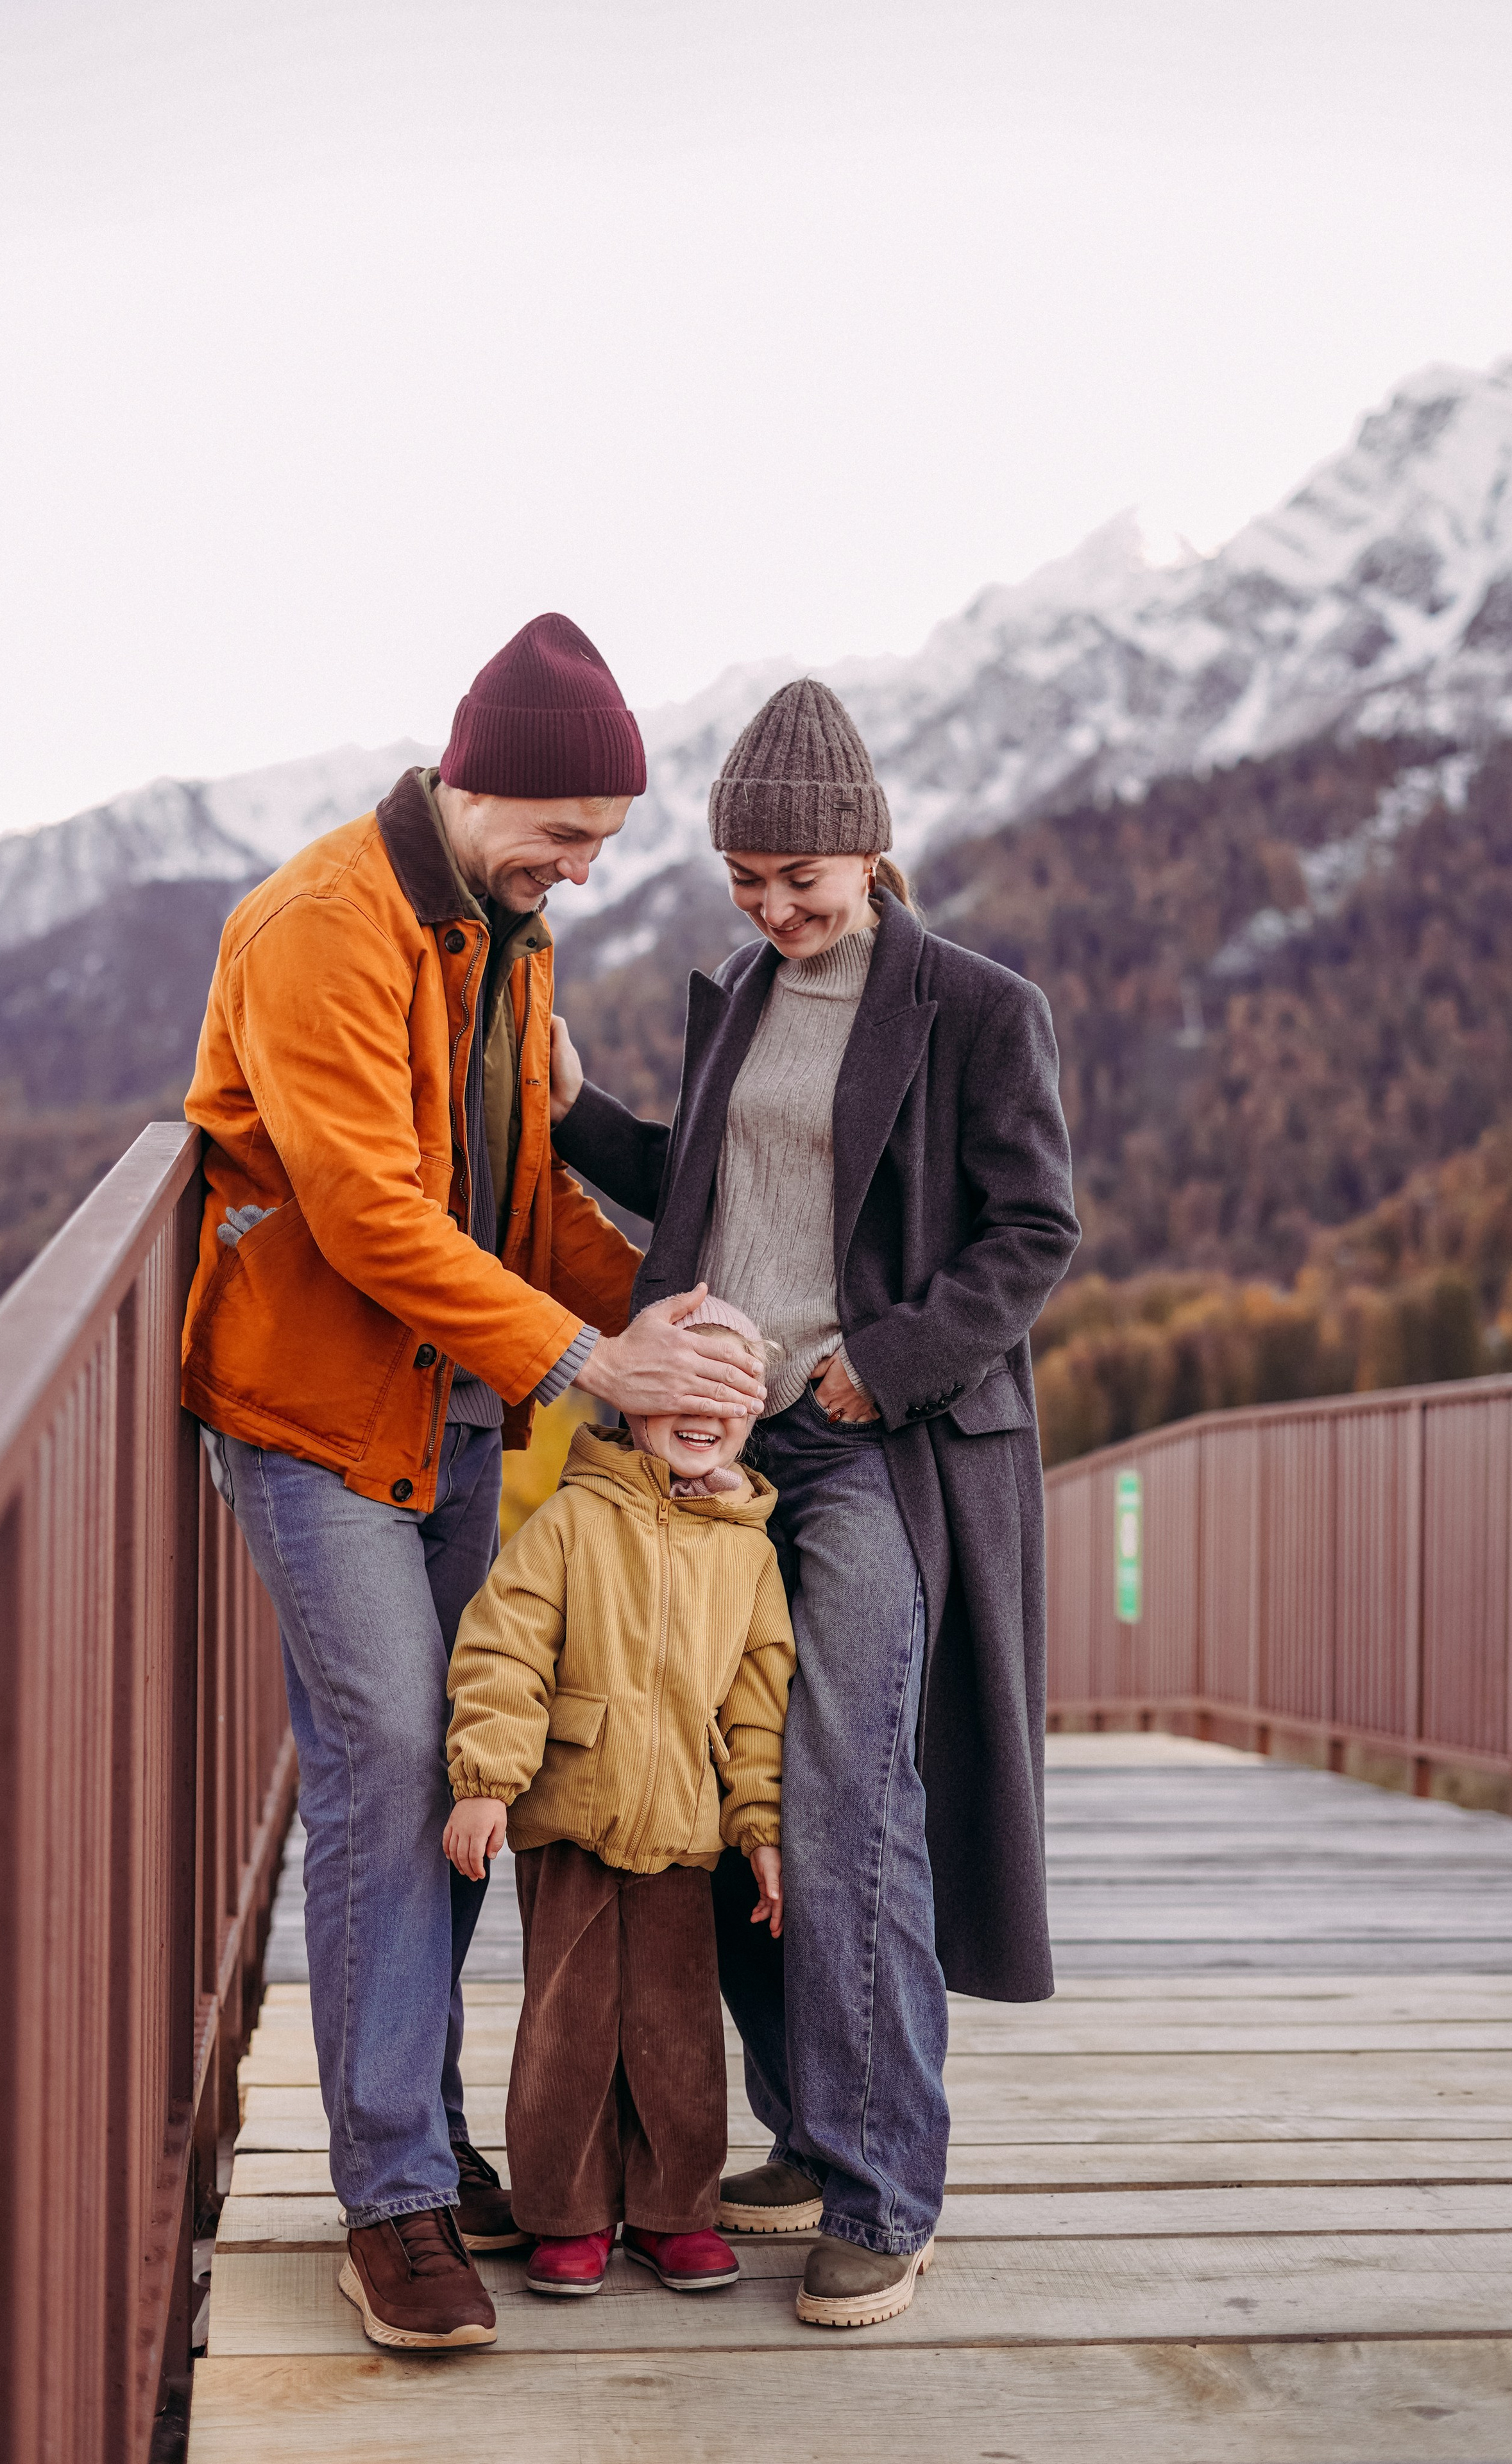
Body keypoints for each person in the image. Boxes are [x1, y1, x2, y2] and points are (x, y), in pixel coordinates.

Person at [182, 614, 768, 2352]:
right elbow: (368, 1215)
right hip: (307, 1418)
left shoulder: (502, 937)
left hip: (441, 1414)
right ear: (473, 779)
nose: (583, 876)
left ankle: (422, 2145)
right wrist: (597, 1366)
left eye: (602, 843)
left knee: (455, 1770)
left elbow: (510, 1212)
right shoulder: (322, 929)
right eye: (568, 836)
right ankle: (391, 2203)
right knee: (380, 1767)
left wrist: (679, 1322)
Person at [548, 678, 1082, 2330]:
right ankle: (803, 2122)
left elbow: (1032, 1230)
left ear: (870, 846)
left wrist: (882, 1361)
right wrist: (573, 1109)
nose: (775, 909)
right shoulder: (740, 995)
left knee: (848, 1791)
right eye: (747, 882)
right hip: (714, 1453)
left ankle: (883, 2183)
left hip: (871, 1445)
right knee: (727, 1787)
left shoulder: (977, 1007)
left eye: (803, 879)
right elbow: (710, 1191)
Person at [442, 1296, 794, 2300]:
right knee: (570, 2026)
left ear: (755, 1415)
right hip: (573, 1824)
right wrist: (487, 1779)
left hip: (685, 1832)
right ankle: (567, 2213)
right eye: (683, 1381)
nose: (703, 1405)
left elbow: (760, 1706)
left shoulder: (750, 1554)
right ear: (638, 1395)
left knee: (679, 2029)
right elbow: (504, 1650)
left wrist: (761, 1827)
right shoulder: (569, 1521)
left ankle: (673, 2213)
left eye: (730, 1392)